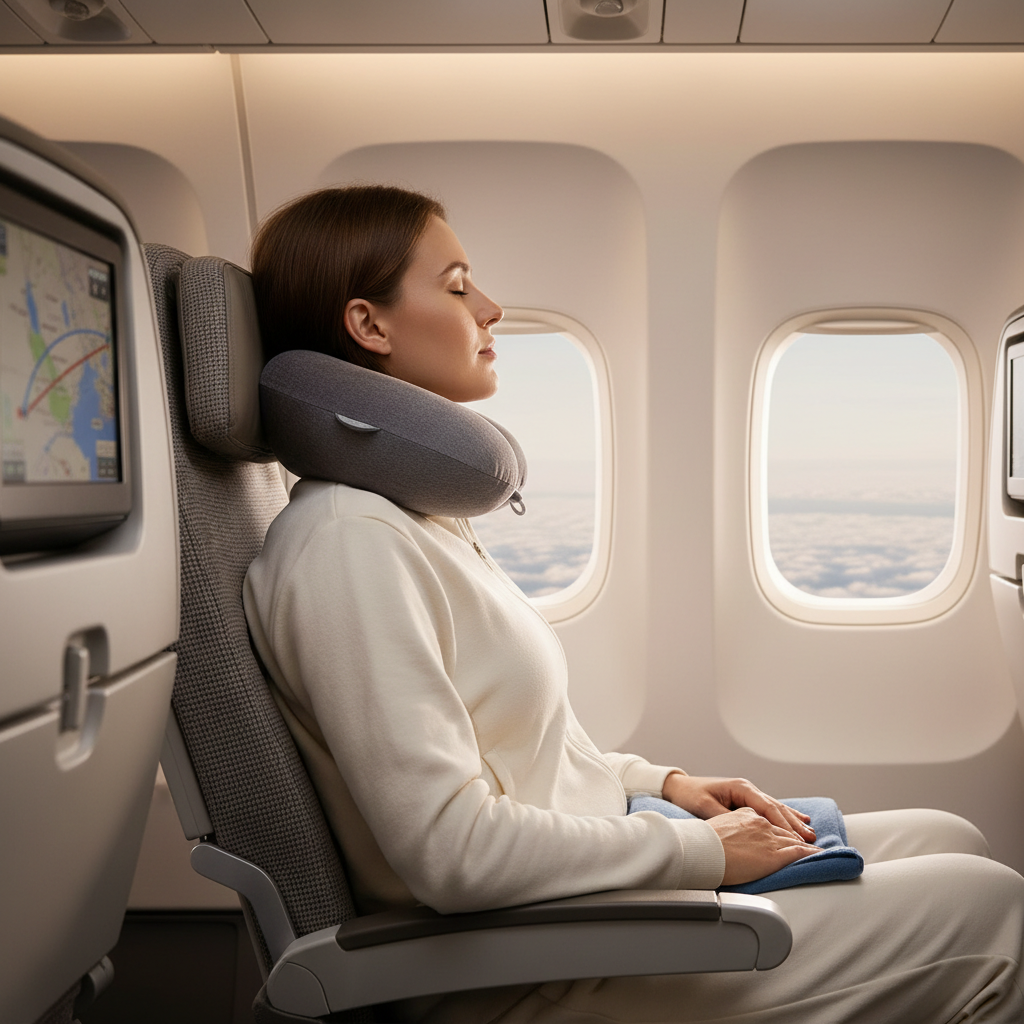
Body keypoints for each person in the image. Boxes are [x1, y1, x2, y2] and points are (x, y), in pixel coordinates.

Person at [243, 185, 1024, 1023]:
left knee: (952, 838)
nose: (492, 308)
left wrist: (668, 783)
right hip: (533, 967)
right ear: (370, 325)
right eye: (461, 285)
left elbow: (524, 758)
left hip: (578, 899)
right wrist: (699, 852)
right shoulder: (349, 544)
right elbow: (452, 853)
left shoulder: (412, 520)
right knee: (994, 908)